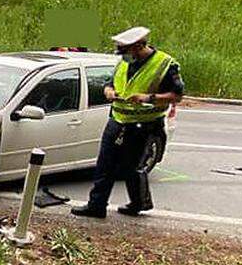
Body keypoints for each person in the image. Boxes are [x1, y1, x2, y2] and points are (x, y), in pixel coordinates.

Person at [72, 26, 184, 218]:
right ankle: (96, 206)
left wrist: (148, 98)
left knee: (132, 168)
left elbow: (177, 95)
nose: (123, 55)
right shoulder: (123, 63)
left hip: (144, 125)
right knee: (104, 164)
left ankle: (138, 203)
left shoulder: (165, 64)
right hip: (117, 119)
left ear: (139, 46)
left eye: (126, 51)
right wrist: (108, 91)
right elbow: (111, 82)